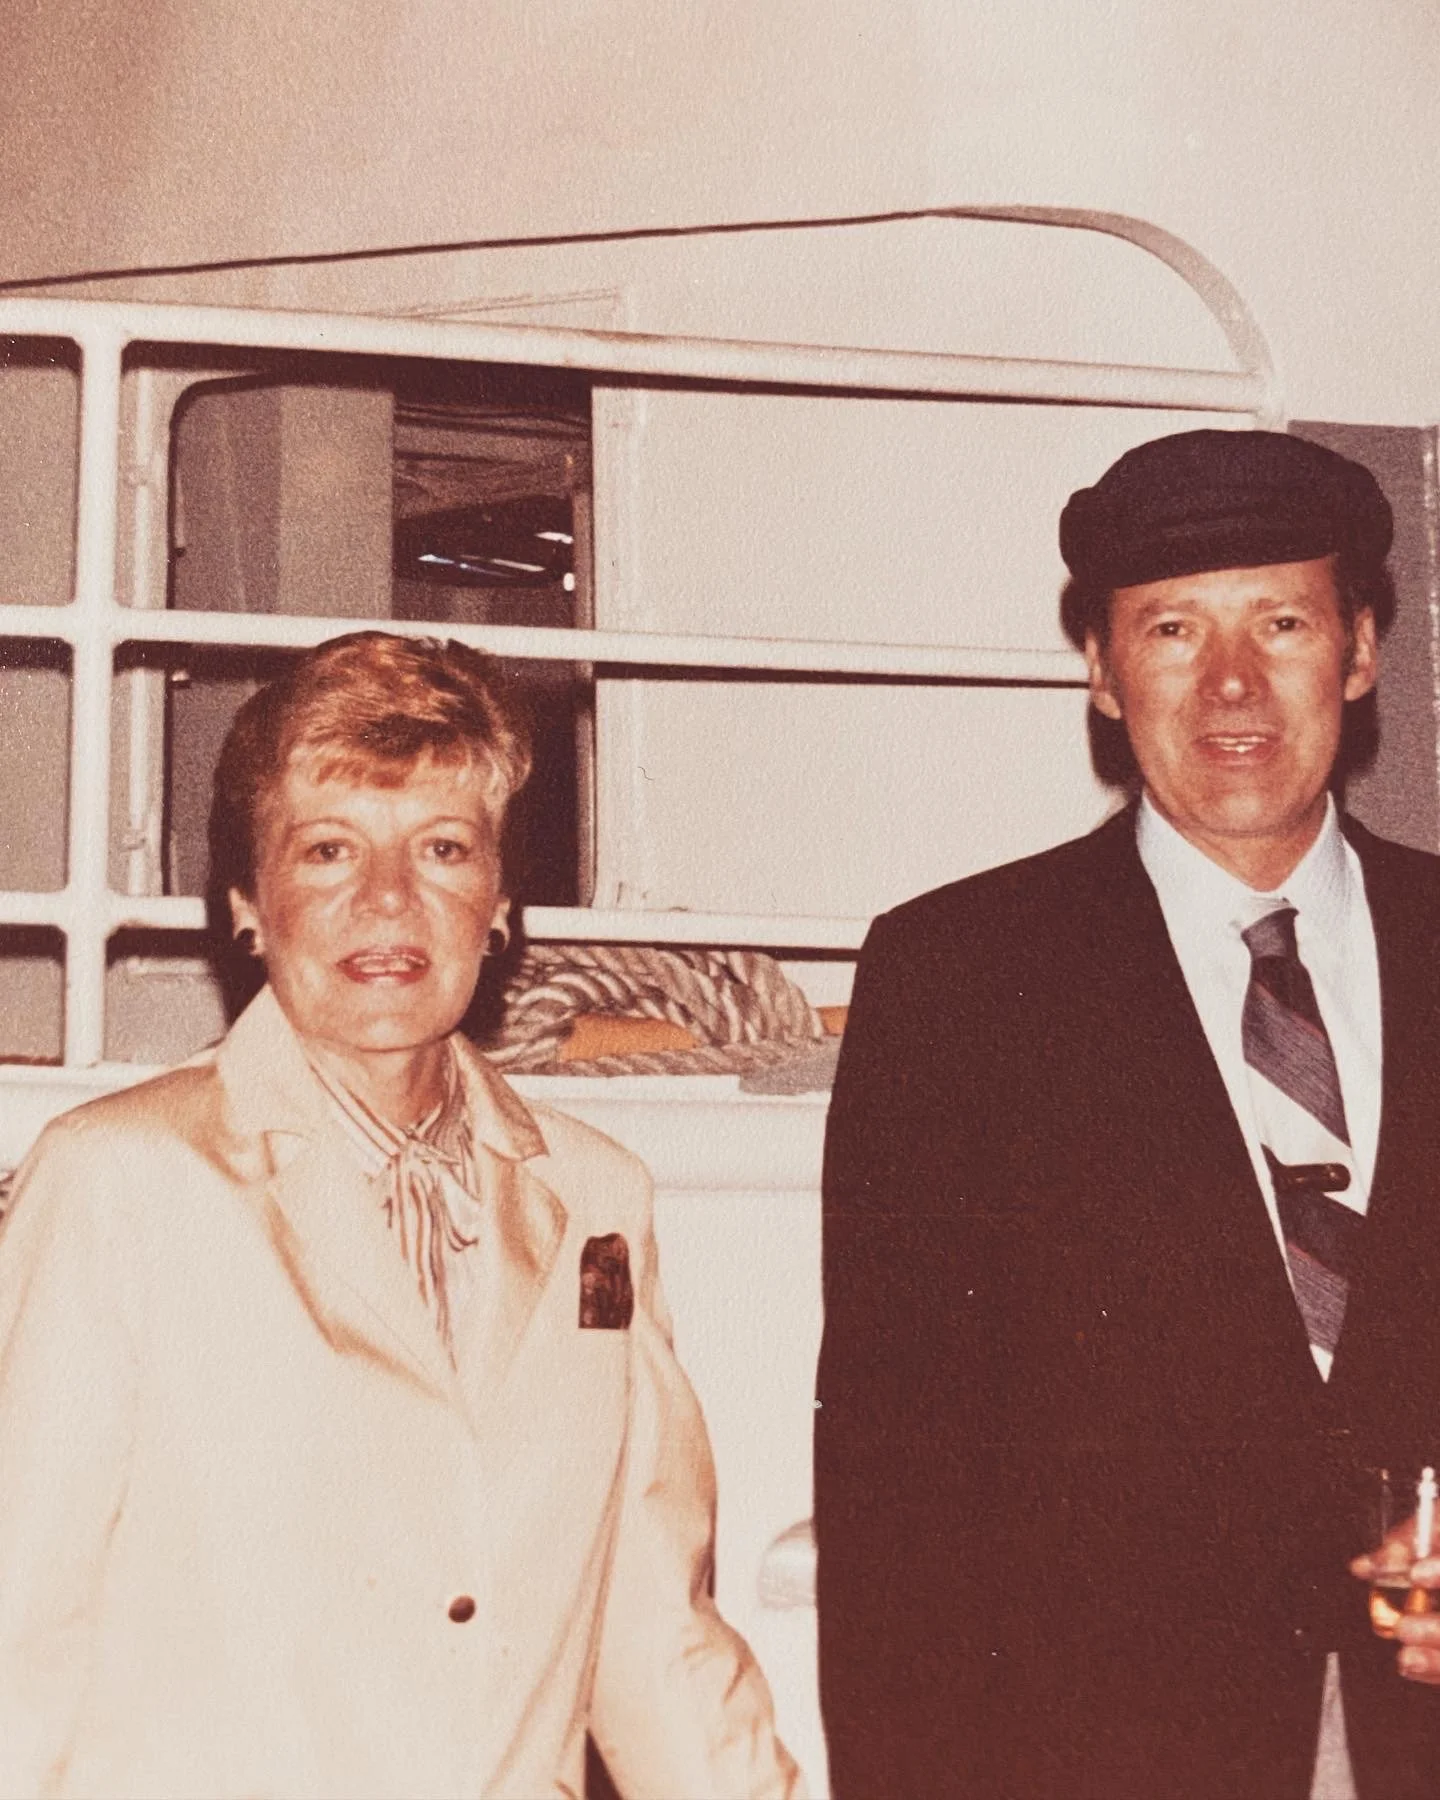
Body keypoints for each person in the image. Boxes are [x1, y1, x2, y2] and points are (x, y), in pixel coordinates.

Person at [0, 631, 803, 1800]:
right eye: (328, 850)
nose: (387, 899)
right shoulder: (118, 1181)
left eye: (441, 848)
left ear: (500, 903)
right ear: (246, 903)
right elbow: (18, 1628)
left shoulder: (596, 1203)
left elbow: (649, 1633)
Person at [815, 429, 1440, 1800]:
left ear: (1361, 650)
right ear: (1102, 670)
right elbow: (894, 1494)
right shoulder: (957, 981)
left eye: (1280, 619)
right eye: (1172, 627)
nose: (1231, 681)